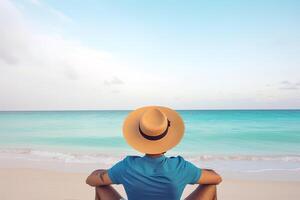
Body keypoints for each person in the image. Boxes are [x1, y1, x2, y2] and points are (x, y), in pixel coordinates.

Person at [86, 106, 222, 200]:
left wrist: (101, 172)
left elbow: (91, 181)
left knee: (101, 186)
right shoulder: (181, 167)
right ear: (167, 139)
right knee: (210, 185)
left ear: (140, 139)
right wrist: (199, 172)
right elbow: (216, 178)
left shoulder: (126, 167)